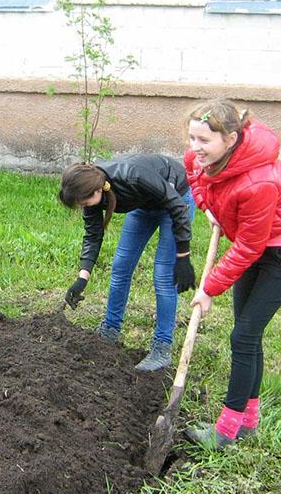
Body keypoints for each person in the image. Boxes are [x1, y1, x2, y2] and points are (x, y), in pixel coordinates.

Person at [183, 99, 281, 450]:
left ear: (231, 138)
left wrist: (208, 288)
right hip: (253, 242)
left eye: (204, 141)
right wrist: (209, 208)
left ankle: (225, 431)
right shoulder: (201, 158)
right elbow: (195, 178)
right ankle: (248, 422)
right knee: (248, 335)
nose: (195, 148)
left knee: (243, 336)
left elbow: (249, 248)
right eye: (192, 138)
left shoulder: (259, 181)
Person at [58, 153, 196, 371]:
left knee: (163, 276)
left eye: (84, 202)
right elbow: (93, 235)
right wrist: (82, 278)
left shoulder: (132, 176)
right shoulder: (92, 190)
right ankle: (110, 330)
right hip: (143, 206)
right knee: (121, 266)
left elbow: (176, 206)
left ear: (97, 189)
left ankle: (162, 347)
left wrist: (183, 257)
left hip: (175, 200)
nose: (83, 206)